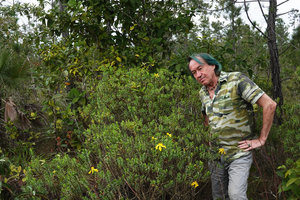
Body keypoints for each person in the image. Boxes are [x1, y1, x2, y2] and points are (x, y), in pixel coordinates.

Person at [188, 53, 277, 200]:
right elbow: (207, 120)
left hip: (239, 153)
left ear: (212, 65)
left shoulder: (236, 80)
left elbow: (269, 104)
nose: (198, 75)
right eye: (194, 72)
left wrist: (261, 139)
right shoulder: (202, 93)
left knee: (236, 195)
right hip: (215, 156)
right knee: (219, 197)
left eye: (200, 68)